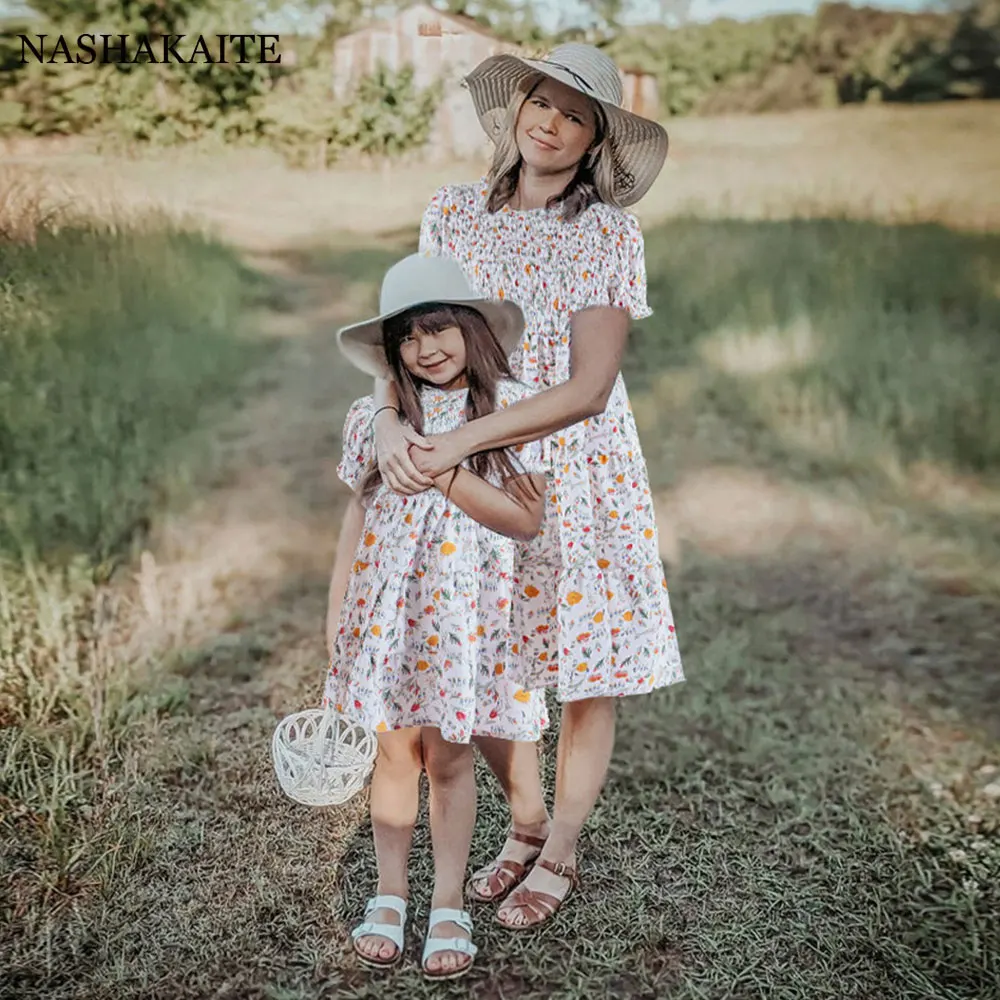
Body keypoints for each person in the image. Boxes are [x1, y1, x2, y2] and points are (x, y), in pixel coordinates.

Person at [369, 43, 685, 930]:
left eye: (574, 115)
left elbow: (587, 389)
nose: (550, 121)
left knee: (586, 666)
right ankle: (526, 820)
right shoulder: (452, 215)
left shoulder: (608, 235)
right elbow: (405, 343)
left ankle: (562, 848)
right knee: (491, 652)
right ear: (517, 110)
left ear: (594, 142)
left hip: (580, 470)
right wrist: (395, 422)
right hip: (470, 469)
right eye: (540, 102)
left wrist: (461, 439)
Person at [323, 252, 551, 977]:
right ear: (393, 354)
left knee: (449, 758)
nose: (426, 347)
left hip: (461, 622)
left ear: (474, 329)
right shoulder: (371, 420)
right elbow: (356, 521)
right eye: (408, 337)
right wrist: (338, 617)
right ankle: (391, 891)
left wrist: (445, 466)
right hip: (387, 617)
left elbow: (525, 520)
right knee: (394, 753)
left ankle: (446, 902)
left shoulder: (511, 413)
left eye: (440, 328)